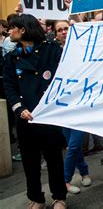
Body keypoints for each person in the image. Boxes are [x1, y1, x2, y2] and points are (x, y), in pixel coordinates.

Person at [3, 14, 67, 209]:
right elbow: (9, 86)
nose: (9, 31)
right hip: (25, 119)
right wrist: (19, 108)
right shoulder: (11, 57)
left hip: (48, 117)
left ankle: (59, 198)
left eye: (12, 27)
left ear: (22, 30)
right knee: (30, 163)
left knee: (54, 160)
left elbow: (62, 79)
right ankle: (36, 198)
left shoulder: (51, 51)